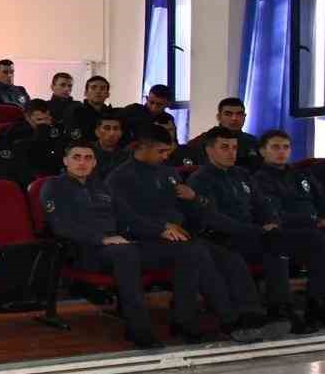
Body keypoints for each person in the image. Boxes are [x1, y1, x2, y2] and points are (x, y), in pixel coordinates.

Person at [107, 129, 267, 343]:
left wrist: (195, 198)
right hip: (143, 240)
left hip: (178, 237)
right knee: (195, 253)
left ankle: (248, 314)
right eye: (161, 151)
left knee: (226, 255)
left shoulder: (169, 173)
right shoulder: (120, 178)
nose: (166, 156)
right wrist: (160, 228)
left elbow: (191, 210)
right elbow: (124, 217)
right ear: (142, 148)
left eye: (168, 151)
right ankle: (223, 319)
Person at [189, 128, 316, 335]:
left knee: (279, 243)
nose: (231, 153)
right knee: (241, 253)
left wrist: (271, 222)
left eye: (234, 148)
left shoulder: (242, 174)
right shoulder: (200, 179)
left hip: (251, 233)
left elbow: (262, 204)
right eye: (224, 147)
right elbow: (214, 219)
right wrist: (256, 230)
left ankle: (280, 307)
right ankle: (250, 314)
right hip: (221, 237)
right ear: (209, 150)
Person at [42, 142, 162, 348]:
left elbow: (129, 217)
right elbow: (61, 227)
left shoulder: (102, 186)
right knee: (126, 254)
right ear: (65, 161)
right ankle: (139, 331)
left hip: (117, 247)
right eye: (76, 157)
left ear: (95, 162)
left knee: (186, 249)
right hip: (84, 250)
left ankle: (189, 321)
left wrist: (162, 229)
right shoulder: (54, 186)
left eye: (88, 158)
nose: (82, 162)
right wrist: (102, 239)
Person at [251, 129, 325, 327]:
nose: (281, 152)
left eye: (286, 147)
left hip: (315, 228)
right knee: (320, 239)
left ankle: (323, 303)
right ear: (262, 151)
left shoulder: (301, 175)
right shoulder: (259, 179)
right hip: (286, 230)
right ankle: (315, 303)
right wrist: (315, 220)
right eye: (275, 147)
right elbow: (274, 213)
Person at [182, 98, 262, 170]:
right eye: (228, 114)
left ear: (244, 117)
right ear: (219, 117)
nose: (234, 118)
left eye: (239, 114)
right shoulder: (202, 141)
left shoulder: (253, 142)